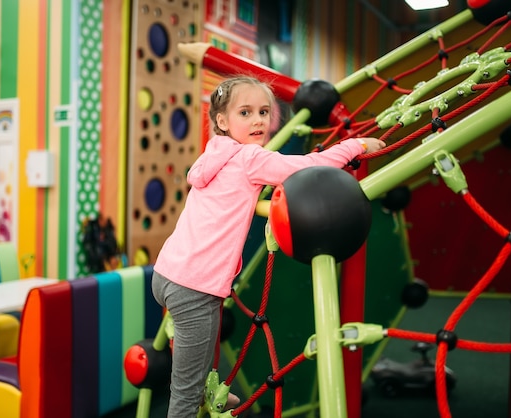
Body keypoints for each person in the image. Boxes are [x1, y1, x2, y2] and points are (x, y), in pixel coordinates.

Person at [151, 75, 386, 417]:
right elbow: (306, 168)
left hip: (167, 274)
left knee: (200, 355)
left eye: (264, 111)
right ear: (222, 121)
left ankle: (204, 389)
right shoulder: (249, 158)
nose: (258, 120)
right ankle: (195, 393)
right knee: (182, 398)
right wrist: (355, 146)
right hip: (194, 287)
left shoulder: (213, 154)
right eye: (245, 113)